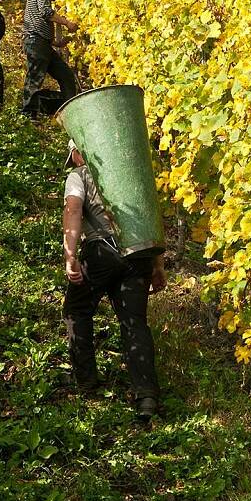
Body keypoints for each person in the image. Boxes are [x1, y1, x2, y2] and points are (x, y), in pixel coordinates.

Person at [61, 139, 167, 419]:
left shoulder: (78, 176)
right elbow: (149, 213)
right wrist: (157, 263)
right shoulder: (130, 171)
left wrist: (70, 255)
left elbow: (72, 210)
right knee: (134, 322)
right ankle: (146, 397)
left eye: (73, 155)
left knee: (77, 310)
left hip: (100, 252)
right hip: (139, 254)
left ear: (78, 153)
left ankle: (86, 381)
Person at [21, 0, 79, 117]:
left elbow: (40, 24)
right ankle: (28, 114)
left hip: (43, 44)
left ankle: (70, 112)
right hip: (36, 43)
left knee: (66, 75)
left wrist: (58, 43)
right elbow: (46, 13)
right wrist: (67, 23)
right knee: (35, 77)